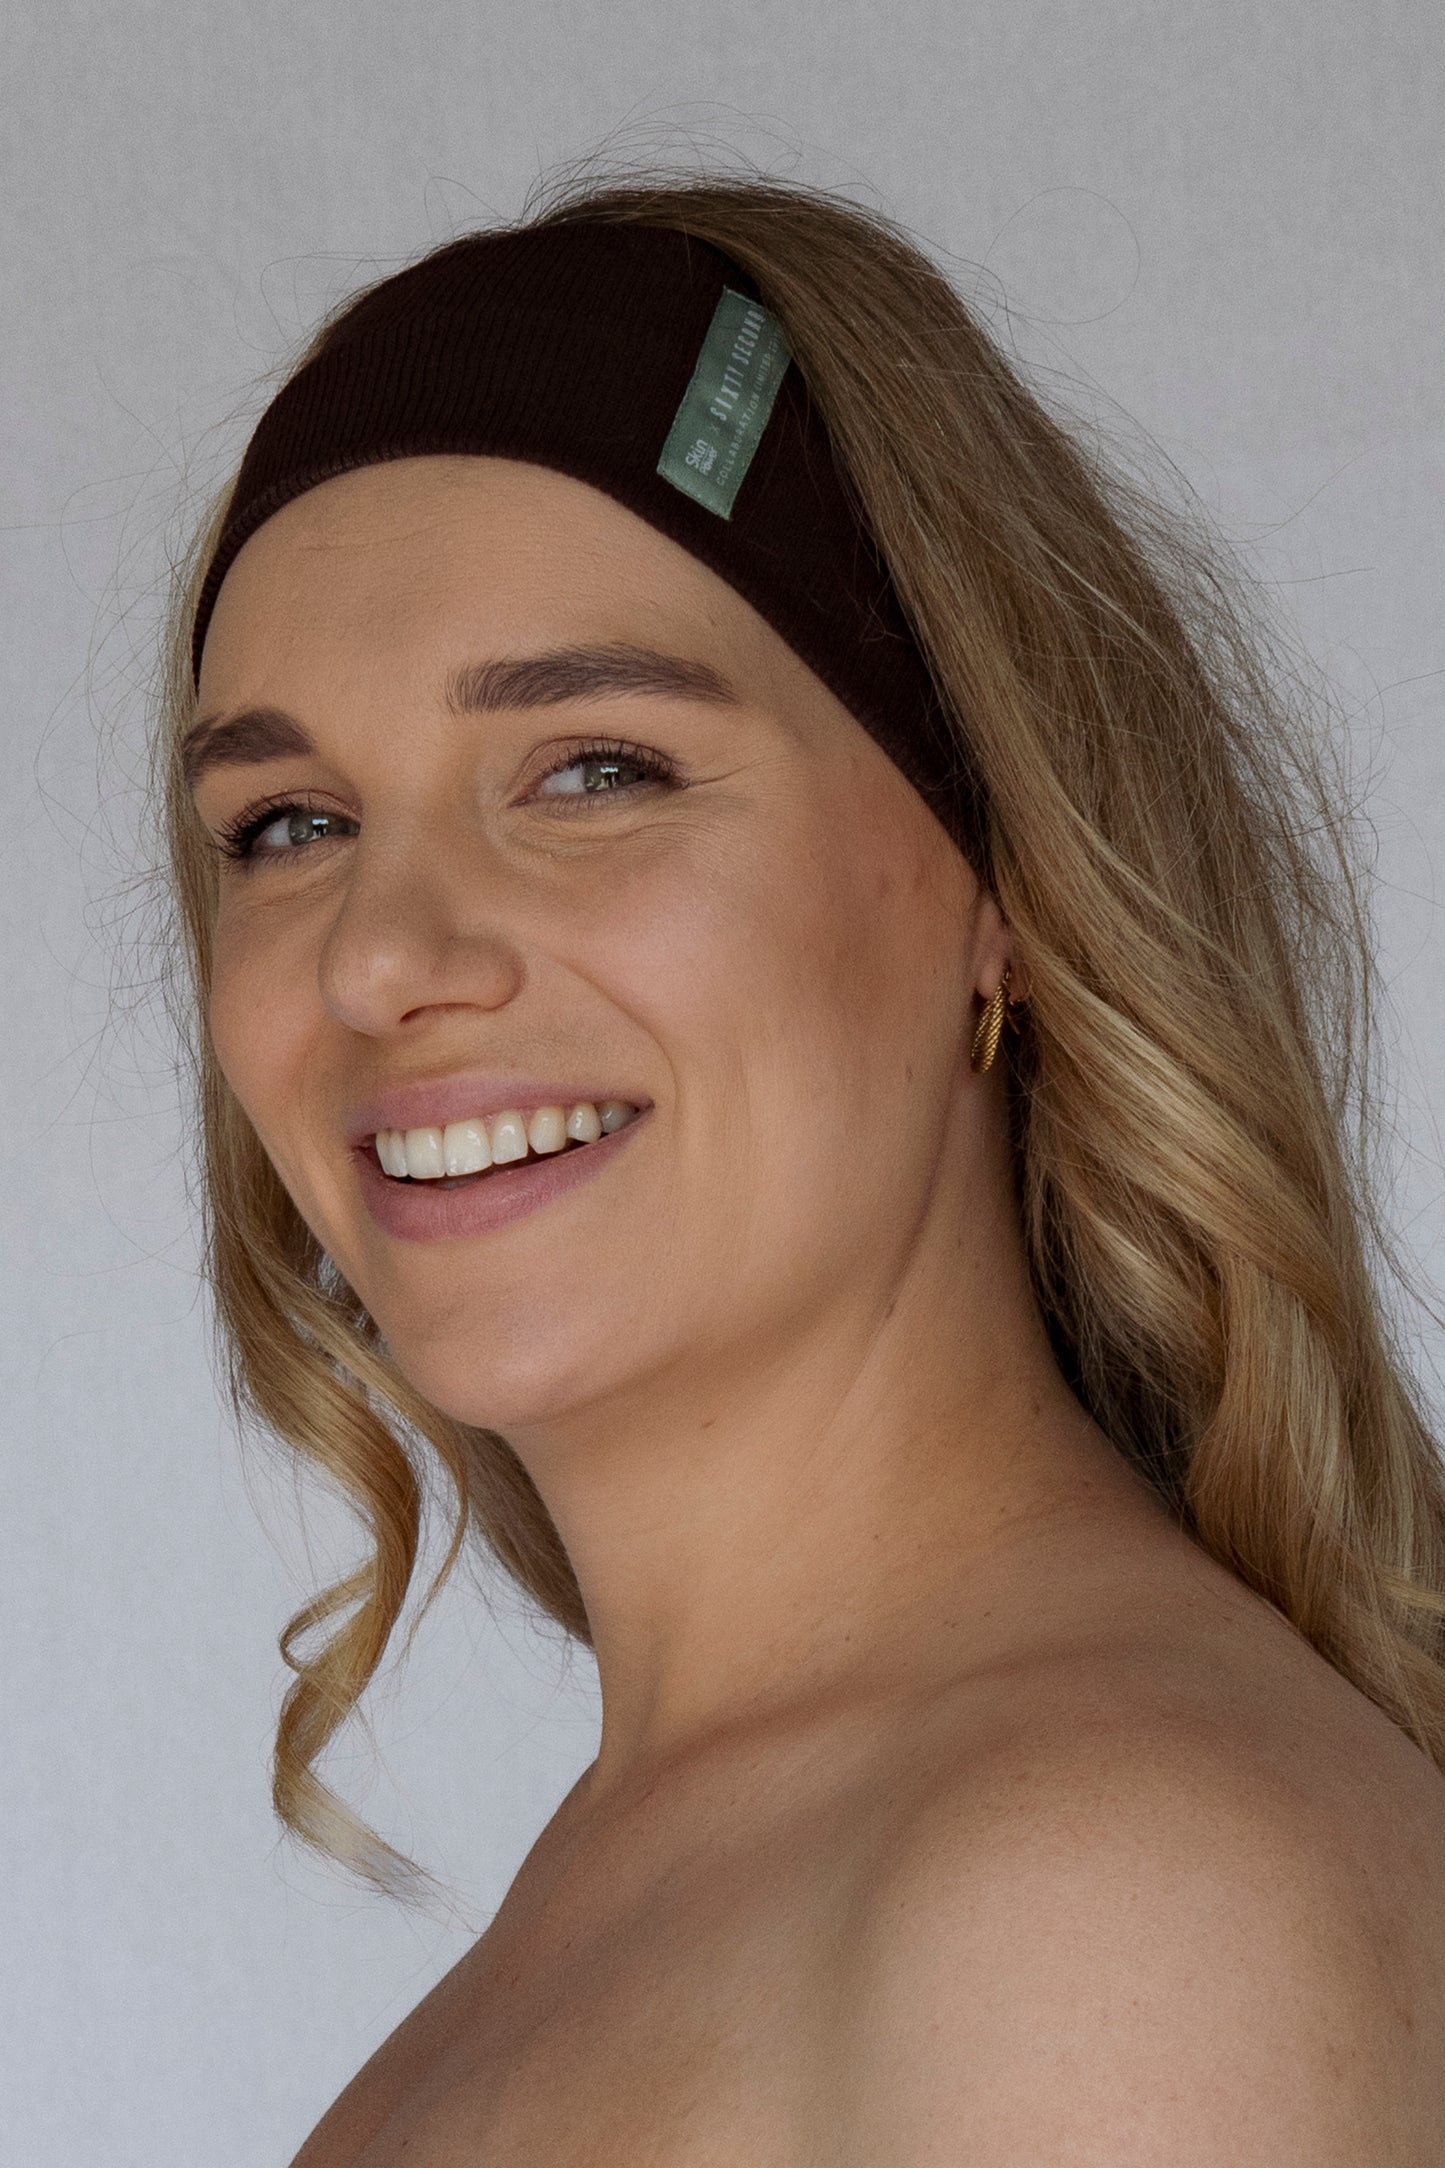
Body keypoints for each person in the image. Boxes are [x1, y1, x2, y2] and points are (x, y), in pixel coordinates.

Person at [161, 168, 1445, 2162]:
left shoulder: (1106, 1908)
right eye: (284, 823)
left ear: (999, 881)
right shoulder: (625, 1932)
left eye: (598, 769)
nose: (385, 956)